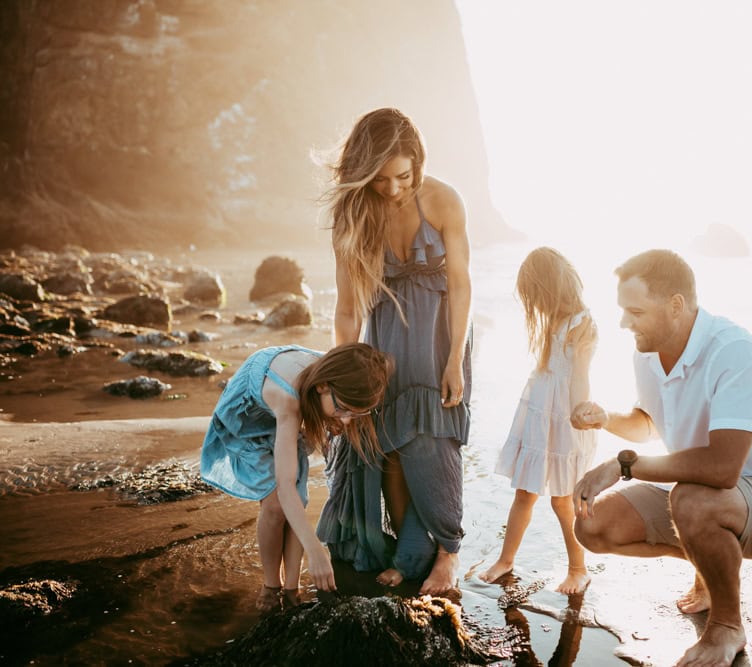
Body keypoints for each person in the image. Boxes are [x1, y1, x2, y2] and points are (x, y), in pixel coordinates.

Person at [570, 249, 752, 667]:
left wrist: (623, 465)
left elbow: (722, 469)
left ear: (676, 305)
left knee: (692, 500)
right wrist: (606, 418)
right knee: (592, 526)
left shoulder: (734, 351)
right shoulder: (646, 353)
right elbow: (649, 422)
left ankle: (726, 626)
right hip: (709, 495)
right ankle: (709, 570)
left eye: (635, 311)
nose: (623, 323)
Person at [315, 107, 473, 596]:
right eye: (380, 179)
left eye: (402, 175)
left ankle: (447, 555)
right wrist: (347, 378)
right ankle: (412, 556)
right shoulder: (354, 213)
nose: (393, 187)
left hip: (440, 334)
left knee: (435, 442)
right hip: (385, 334)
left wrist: (454, 361)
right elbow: (346, 309)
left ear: (418, 164)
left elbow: (463, 285)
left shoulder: (444, 200)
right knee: (388, 447)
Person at [200, 343, 393, 612]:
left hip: (286, 413)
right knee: (276, 504)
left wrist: (337, 412)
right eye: (344, 409)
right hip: (248, 419)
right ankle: (271, 584)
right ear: (323, 387)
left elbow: (295, 494)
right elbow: (284, 487)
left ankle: (291, 588)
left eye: (354, 413)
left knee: (298, 503)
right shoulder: (289, 400)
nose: (347, 421)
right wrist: (315, 550)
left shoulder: (333, 379)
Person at [479, 247, 597, 594]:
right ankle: (506, 559)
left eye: (535, 296)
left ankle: (579, 568)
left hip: (565, 418)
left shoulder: (582, 323)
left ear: (549, 289)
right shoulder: (555, 321)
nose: (535, 306)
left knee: (562, 499)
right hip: (539, 414)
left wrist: (580, 412)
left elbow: (581, 375)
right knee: (525, 492)